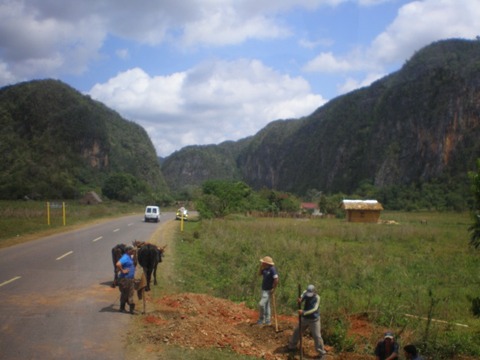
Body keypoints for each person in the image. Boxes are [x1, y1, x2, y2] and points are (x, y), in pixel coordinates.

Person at [288, 284, 327, 357]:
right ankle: (292, 346)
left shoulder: (317, 297)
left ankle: (322, 353)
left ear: (314, 292)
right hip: (305, 318)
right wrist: (300, 299)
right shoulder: (305, 292)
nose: (309, 295)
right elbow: (302, 296)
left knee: (317, 336)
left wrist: (303, 312)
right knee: (297, 331)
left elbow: (314, 309)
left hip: (314, 320)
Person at [257, 256, 279, 325]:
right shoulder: (265, 269)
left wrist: (273, 288)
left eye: (263, 262)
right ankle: (267, 321)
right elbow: (259, 274)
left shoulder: (272, 269)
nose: (262, 263)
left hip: (268, 291)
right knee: (267, 305)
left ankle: (261, 319)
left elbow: (276, 279)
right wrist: (261, 267)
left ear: (266, 263)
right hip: (263, 290)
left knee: (261, 304)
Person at [116, 245, 136, 314]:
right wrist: (123, 271)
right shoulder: (125, 257)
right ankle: (130, 309)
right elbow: (118, 264)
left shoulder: (129, 256)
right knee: (128, 293)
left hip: (129, 278)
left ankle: (123, 308)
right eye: (132, 250)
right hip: (125, 279)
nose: (133, 251)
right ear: (128, 251)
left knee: (126, 293)